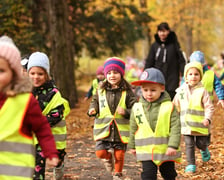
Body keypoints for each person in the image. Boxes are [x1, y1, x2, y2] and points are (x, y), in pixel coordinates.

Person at [0, 35, 59, 180]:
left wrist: (50, 152)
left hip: (17, 171)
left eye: (1, 71)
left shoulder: (25, 101)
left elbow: (41, 128)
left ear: (14, 73)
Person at [87, 57, 137, 179]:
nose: (112, 75)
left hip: (120, 131)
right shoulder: (101, 90)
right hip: (104, 129)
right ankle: (108, 159)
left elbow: (136, 109)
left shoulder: (128, 91)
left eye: (115, 72)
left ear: (121, 74)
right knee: (100, 153)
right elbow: (95, 102)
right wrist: (92, 110)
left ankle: (118, 174)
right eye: (109, 73)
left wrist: (125, 112)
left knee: (119, 155)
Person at [129, 68, 181, 180]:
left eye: (153, 90)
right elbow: (133, 127)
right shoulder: (137, 107)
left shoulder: (169, 106)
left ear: (162, 88)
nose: (149, 94)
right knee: (148, 175)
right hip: (146, 150)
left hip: (165, 149)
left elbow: (175, 127)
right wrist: (132, 145)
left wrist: (172, 145)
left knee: (169, 174)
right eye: (145, 90)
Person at [27, 52, 70, 180]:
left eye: (40, 74)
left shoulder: (54, 93)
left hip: (52, 135)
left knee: (58, 157)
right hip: (34, 139)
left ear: (47, 75)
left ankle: (59, 165)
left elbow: (57, 113)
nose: (36, 77)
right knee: (36, 166)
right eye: (32, 73)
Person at [173, 61, 214, 173]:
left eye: (196, 74)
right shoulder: (180, 91)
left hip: (200, 124)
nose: (193, 77)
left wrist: (207, 118)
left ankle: (204, 149)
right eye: (190, 74)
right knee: (189, 145)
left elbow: (209, 106)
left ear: (200, 76)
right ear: (186, 76)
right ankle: (191, 164)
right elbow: (175, 105)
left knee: (200, 144)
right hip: (186, 125)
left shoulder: (202, 91)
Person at [189, 51, 224, 145]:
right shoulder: (189, 74)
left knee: (206, 126)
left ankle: (205, 144)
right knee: (194, 126)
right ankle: (196, 142)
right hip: (193, 107)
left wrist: (221, 98)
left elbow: (218, 86)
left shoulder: (210, 74)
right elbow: (183, 88)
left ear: (204, 64)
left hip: (207, 107)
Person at [144, 22, 186, 99]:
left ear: (168, 32)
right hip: (158, 77)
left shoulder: (174, 44)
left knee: (171, 96)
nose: (162, 34)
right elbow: (149, 61)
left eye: (164, 31)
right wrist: (145, 74)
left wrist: (184, 73)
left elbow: (181, 60)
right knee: (158, 95)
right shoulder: (155, 46)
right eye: (160, 31)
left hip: (172, 76)